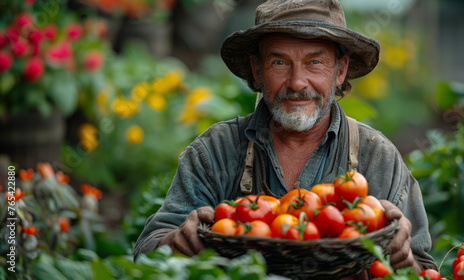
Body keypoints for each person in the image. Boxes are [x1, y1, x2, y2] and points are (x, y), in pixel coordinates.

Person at [134, 0, 438, 278]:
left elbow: (423, 268)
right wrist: (177, 242)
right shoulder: (215, 151)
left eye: (314, 62)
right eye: (279, 63)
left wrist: (402, 257)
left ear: (340, 70)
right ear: (257, 69)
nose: (296, 82)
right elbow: (147, 254)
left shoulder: (377, 157)